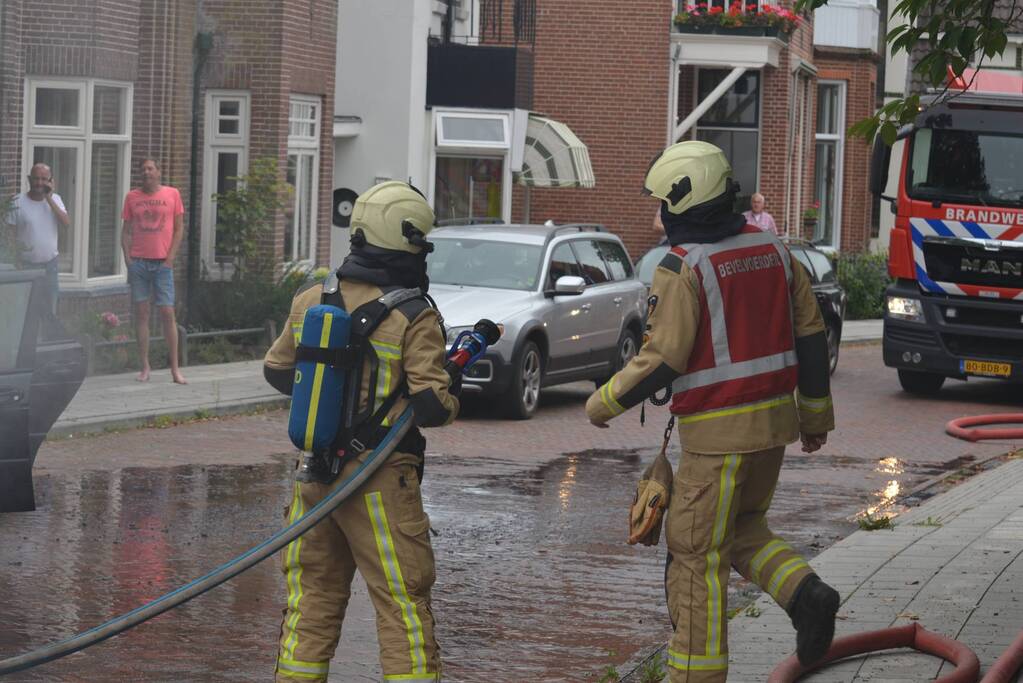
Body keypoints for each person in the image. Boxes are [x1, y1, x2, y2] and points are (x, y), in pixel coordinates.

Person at [586, 141, 838, 682]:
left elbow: (663, 358)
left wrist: (602, 402)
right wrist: (815, 418)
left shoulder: (682, 265)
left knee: (696, 558)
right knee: (743, 529)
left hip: (715, 442)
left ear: (685, 202)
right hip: (773, 433)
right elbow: (812, 337)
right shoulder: (775, 250)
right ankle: (807, 594)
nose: (660, 216)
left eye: (665, 205)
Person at [263, 181, 459, 683]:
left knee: (310, 601)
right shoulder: (414, 314)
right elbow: (432, 407)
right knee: (402, 603)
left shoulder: (312, 298)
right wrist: (449, 387)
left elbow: (277, 371)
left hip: (313, 478)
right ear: (407, 243)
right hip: (379, 483)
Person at [121, 158, 186, 384]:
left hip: (162, 265)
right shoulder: (132, 197)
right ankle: (145, 366)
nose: (146, 172)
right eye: (143, 169)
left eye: (150, 168)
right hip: (139, 263)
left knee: (167, 312)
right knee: (142, 313)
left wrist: (170, 258)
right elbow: (126, 230)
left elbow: (179, 229)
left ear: (158, 172)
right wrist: (128, 258)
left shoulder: (172, 194)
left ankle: (175, 368)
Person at [6, 163, 71, 313]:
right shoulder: (17, 201)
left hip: (49, 266)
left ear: (50, 181)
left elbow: (66, 223)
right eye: (36, 178)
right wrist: (15, 260)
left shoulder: (56, 199)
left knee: (49, 310)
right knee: (24, 310)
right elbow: (9, 235)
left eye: (44, 179)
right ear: (29, 179)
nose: (39, 183)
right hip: (24, 266)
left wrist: (48, 197)